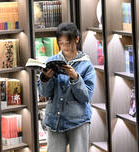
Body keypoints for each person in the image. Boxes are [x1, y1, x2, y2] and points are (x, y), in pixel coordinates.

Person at [38, 22, 96, 152]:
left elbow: (86, 97)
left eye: (68, 43)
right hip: (55, 119)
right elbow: (45, 94)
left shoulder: (87, 65)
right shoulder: (51, 62)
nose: (65, 47)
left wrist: (75, 77)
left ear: (77, 39)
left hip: (78, 120)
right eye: (61, 43)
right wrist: (45, 78)